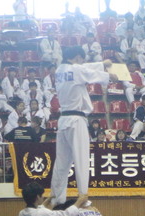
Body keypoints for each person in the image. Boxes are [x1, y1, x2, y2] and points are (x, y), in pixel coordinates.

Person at [50, 46, 116, 206]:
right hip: (76, 120)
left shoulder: (59, 70)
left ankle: (56, 198)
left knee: (61, 162)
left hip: (63, 120)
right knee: (81, 158)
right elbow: (86, 71)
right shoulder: (77, 70)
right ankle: (83, 196)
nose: (82, 62)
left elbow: (84, 68)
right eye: (81, 59)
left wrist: (102, 64)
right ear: (77, 57)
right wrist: (109, 76)